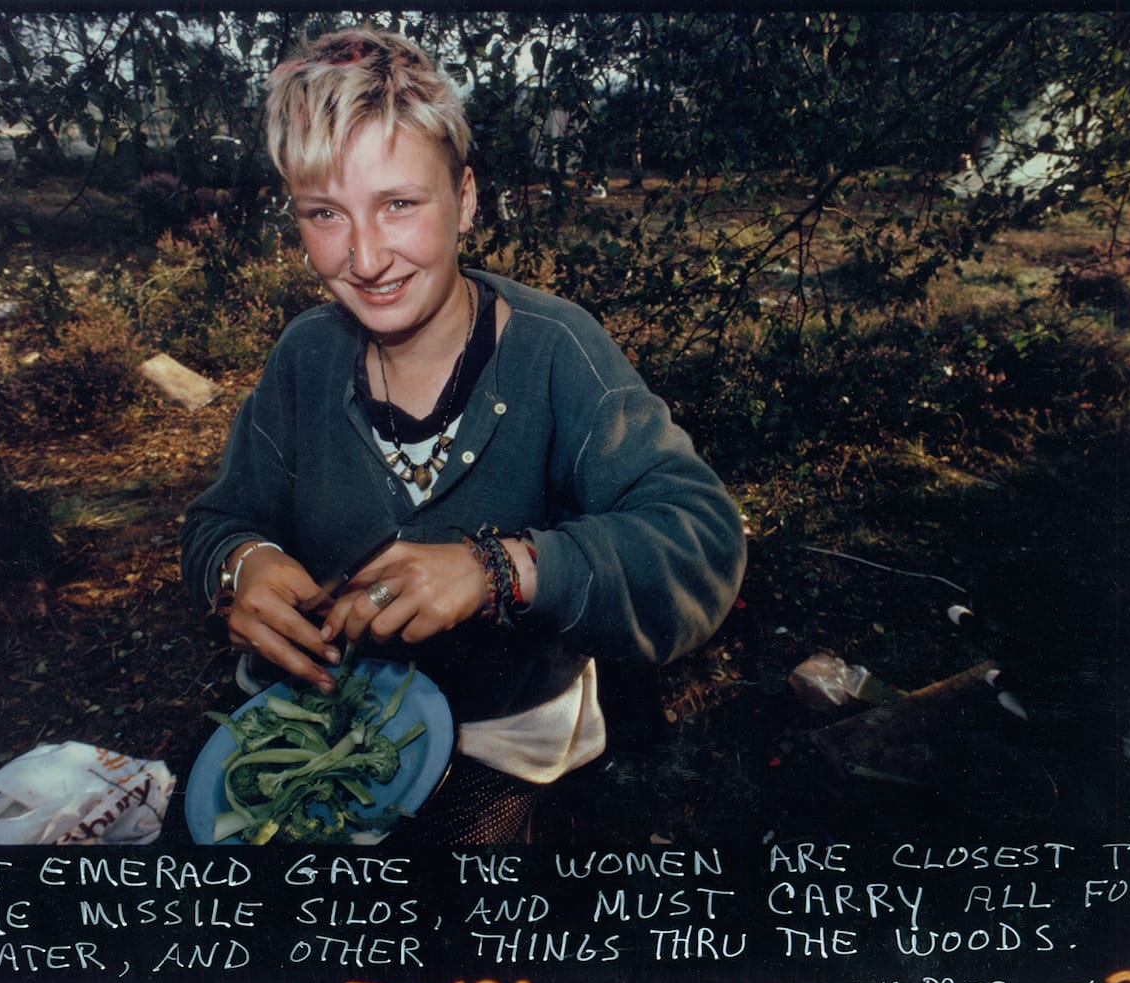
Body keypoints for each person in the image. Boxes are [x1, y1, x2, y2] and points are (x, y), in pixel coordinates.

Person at [179, 27, 747, 844]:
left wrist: (500, 568)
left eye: (399, 204)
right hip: (317, 719)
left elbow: (701, 544)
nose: (365, 257)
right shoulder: (306, 355)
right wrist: (244, 564)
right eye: (325, 214)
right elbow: (218, 520)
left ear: (466, 198)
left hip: (500, 739)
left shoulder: (556, 353)